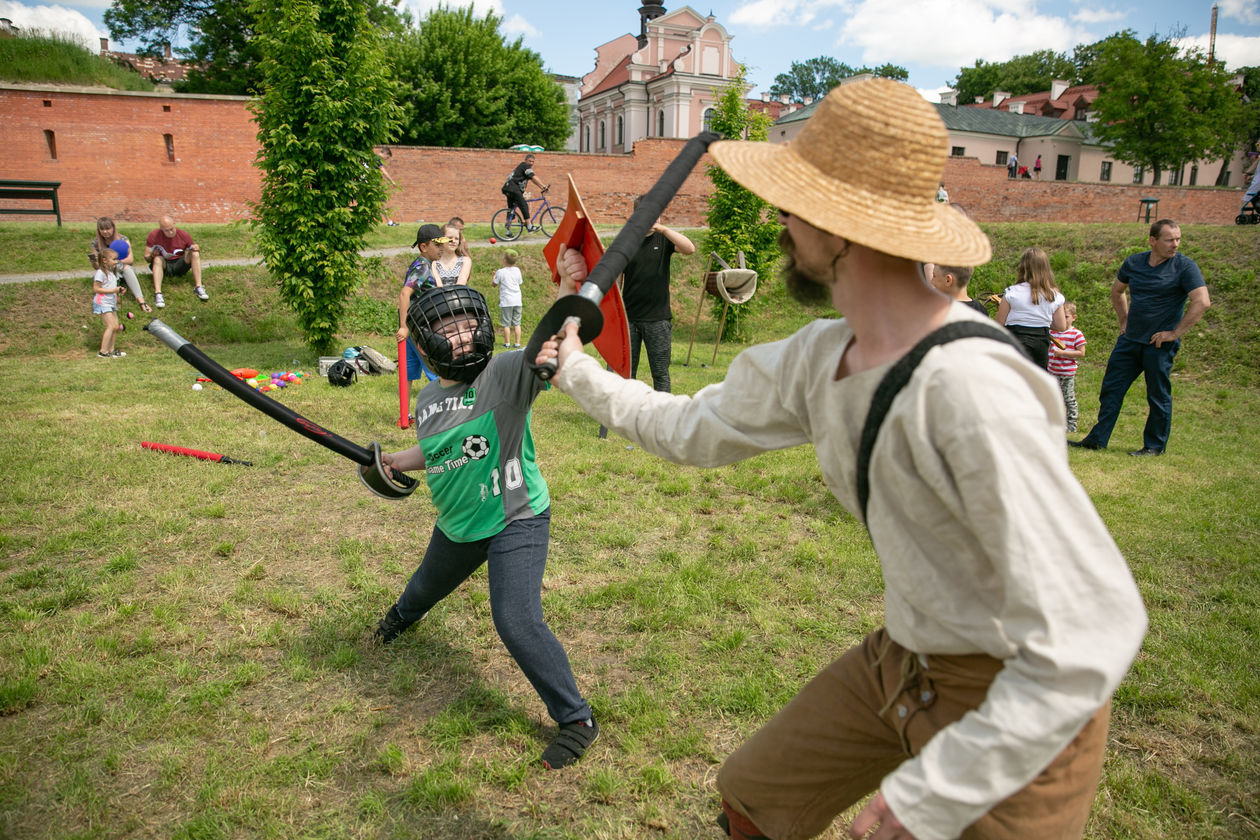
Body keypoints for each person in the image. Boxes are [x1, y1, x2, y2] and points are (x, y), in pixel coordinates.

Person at [539, 78, 1146, 840]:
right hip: (902, 661)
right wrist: (580, 372)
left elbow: (1092, 631)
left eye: (794, 204)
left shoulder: (969, 390)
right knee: (753, 800)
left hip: (1024, 700)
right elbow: (690, 427)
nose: (780, 219)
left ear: (843, 227)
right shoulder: (820, 358)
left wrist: (929, 796)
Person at [375, 283, 599, 771]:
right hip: (458, 525)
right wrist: (397, 460)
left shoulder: (504, 373)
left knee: (515, 619)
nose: (459, 336)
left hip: (516, 518)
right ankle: (395, 622)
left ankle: (576, 718)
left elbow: (548, 341)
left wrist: (566, 292)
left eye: (465, 323)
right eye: (444, 328)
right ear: (423, 344)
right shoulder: (429, 398)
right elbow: (436, 451)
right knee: (421, 590)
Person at [1071, 220, 1210, 456]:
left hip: (1158, 344)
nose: (1175, 244)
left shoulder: (1185, 267)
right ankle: (1097, 439)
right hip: (1130, 341)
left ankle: (1154, 446)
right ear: (1153, 240)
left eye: (1178, 239)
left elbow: (1202, 301)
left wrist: (1174, 333)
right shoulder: (1134, 262)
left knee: (1157, 395)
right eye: (1169, 239)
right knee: (1111, 390)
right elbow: (1117, 291)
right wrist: (1123, 321)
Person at [620, 200, 696, 392]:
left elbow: (689, 249)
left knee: (660, 373)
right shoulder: (626, 241)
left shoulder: (664, 240)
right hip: (629, 319)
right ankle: (627, 412)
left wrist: (663, 229)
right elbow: (616, 280)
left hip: (658, 320)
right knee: (626, 373)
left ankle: (664, 413)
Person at [395, 224, 449, 389]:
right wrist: (403, 327)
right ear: (423, 246)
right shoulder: (423, 267)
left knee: (407, 373)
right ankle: (444, 412)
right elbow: (405, 294)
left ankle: (405, 415)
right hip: (419, 329)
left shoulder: (423, 264)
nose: (442, 249)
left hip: (414, 326)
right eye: (437, 245)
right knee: (436, 372)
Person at [996, 247, 1066, 368]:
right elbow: (1061, 326)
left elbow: (998, 324)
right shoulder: (1054, 296)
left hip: (1016, 339)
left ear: (1022, 268)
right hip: (1041, 342)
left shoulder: (1012, 292)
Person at [88, 217, 151, 313]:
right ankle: (114, 295)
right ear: (99, 230)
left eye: (107, 228)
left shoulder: (123, 239)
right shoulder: (95, 243)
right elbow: (98, 267)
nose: (105, 232)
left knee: (127, 268)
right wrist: (94, 262)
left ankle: (141, 301)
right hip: (106, 271)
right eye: (102, 229)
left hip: (121, 267)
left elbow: (130, 260)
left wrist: (114, 262)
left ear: (113, 228)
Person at [144, 215, 207, 307]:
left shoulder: (183, 235)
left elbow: (192, 248)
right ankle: (158, 293)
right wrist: (152, 255)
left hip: (180, 264)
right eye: (166, 230)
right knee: (157, 259)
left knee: (195, 253)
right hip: (165, 265)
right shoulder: (154, 236)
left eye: (171, 229)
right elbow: (146, 258)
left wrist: (195, 248)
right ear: (161, 229)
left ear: (174, 224)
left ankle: (198, 286)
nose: (170, 232)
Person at [1049, 302, 1086, 433]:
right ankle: (1053, 422)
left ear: (1074, 317)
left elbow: (1081, 352)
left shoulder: (1076, 334)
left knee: (1068, 399)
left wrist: (1063, 353)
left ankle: (1071, 425)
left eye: (1067, 317)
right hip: (1052, 371)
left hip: (1066, 373)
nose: (1063, 320)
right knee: (1052, 398)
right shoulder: (1052, 333)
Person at [92, 247, 126, 358]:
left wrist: (118, 291)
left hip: (111, 303)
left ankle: (111, 350)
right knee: (111, 326)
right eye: (114, 259)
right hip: (102, 302)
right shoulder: (100, 273)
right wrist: (113, 291)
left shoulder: (111, 273)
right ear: (104, 260)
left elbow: (111, 287)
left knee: (115, 327)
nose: (116, 261)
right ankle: (103, 351)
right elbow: (96, 289)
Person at [501, 154, 547, 230]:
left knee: (511, 209)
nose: (531, 163)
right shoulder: (525, 166)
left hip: (507, 188)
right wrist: (544, 186)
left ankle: (508, 230)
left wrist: (541, 187)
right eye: (530, 161)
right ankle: (529, 226)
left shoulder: (522, 168)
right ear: (525, 160)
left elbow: (533, 180)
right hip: (513, 188)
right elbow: (533, 177)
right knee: (524, 205)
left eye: (533, 162)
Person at [492, 248, 525, 348]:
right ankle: (517, 343)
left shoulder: (500, 272)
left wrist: (494, 275)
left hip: (506, 301)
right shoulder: (517, 270)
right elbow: (520, 282)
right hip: (517, 300)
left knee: (506, 324)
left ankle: (507, 343)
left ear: (505, 260)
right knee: (517, 323)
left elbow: (494, 284)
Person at [377, 148, 399, 227]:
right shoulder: (376, 159)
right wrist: (392, 181)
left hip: (371, 184)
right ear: (385, 153)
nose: (386, 159)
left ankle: (389, 221)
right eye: (387, 158)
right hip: (374, 185)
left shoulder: (372, 158)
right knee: (381, 203)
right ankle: (389, 222)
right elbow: (383, 171)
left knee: (380, 204)